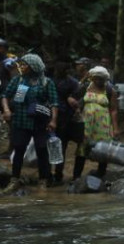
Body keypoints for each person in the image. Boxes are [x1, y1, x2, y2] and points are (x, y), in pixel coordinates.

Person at [1, 54, 58, 192]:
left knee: (42, 150)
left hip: (40, 122)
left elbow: (54, 102)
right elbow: (5, 96)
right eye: (21, 64)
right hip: (20, 121)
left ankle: (43, 180)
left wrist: (53, 120)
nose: (21, 67)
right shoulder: (18, 80)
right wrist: (7, 110)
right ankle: (14, 180)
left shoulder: (46, 82)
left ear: (33, 66)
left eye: (24, 65)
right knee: (19, 149)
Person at [73, 66, 118, 179]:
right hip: (86, 123)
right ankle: (76, 177)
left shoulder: (110, 90)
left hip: (103, 124)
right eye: (96, 78)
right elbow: (75, 97)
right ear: (92, 78)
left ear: (105, 79)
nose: (99, 81)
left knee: (103, 149)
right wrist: (77, 110)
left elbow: (113, 110)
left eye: (101, 79)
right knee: (82, 148)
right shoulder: (85, 87)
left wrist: (115, 128)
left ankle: (100, 175)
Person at [52, 61, 83, 184]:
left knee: (61, 146)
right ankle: (55, 174)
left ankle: (59, 174)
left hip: (66, 118)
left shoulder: (72, 82)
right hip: (55, 117)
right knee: (57, 147)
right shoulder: (51, 80)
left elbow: (78, 98)